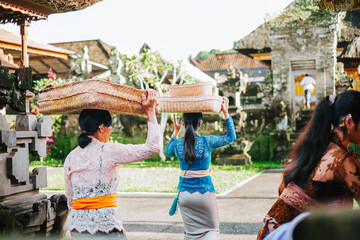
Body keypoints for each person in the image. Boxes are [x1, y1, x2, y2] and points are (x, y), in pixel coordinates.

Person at [257, 90, 360, 240]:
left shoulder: (315, 149)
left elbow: (281, 189)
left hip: (271, 234)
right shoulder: (343, 161)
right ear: (350, 122)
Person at [64, 89, 160, 239]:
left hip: (77, 227)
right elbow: (153, 148)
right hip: (105, 227)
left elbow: (70, 199)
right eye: (110, 126)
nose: (110, 131)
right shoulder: (108, 151)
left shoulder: (70, 157)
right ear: (102, 127)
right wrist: (151, 111)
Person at [165, 97, 236, 239]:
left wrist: (175, 132)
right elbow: (231, 137)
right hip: (204, 194)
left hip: (184, 196)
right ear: (201, 124)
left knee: (190, 235)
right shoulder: (207, 141)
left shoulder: (177, 144)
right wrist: (226, 113)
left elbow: (167, 152)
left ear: (182, 123)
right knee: (212, 231)